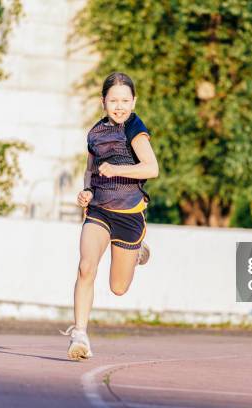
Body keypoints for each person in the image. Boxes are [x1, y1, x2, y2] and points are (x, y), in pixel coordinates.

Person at [60, 72, 159, 361]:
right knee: (86, 267)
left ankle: (137, 250)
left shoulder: (134, 129)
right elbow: (90, 170)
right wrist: (86, 192)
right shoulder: (95, 134)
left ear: (134, 101)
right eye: (113, 100)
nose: (119, 107)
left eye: (125, 101)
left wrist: (117, 170)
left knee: (118, 288)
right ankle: (79, 335)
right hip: (100, 210)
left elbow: (151, 168)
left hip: (129, 216)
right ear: (103, 101)